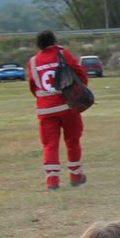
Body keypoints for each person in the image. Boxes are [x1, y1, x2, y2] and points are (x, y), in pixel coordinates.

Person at [26, 31, 89, 191]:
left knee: (49, 145)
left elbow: (33, 87)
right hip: (67, 106)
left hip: (45, 109)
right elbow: (80, 75)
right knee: (72, 141)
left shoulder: (32, 62)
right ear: (54, 41)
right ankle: (75, 175)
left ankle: (52, 181)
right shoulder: (63, 54)